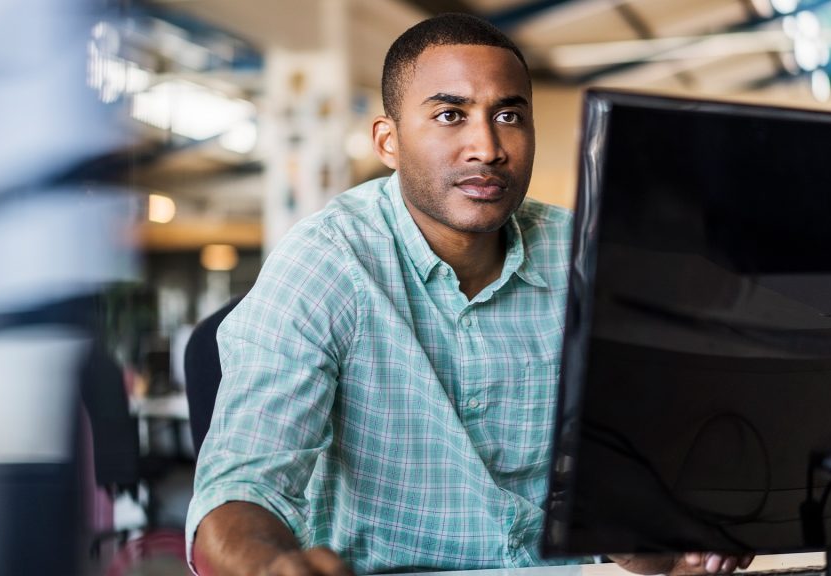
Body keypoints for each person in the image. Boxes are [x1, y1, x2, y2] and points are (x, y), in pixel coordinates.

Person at [186, 13, 751, 576]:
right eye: (450, 115)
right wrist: (269, 567)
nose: (487, 147)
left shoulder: (585, 256)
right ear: (389, 141)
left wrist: (682, 542)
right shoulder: (327, 263)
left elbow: (641, 526)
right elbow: (238, 490)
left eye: (508, 115)